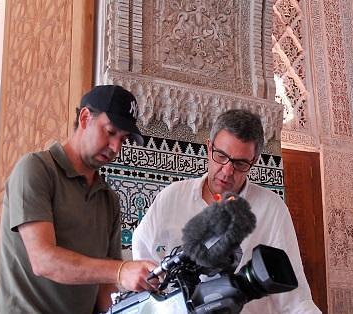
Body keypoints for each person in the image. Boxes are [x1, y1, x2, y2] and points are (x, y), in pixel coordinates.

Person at [132, 109, 321, 313]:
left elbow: (294, 299)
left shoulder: (271, 209)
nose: (227, 170)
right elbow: (142, 268)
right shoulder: (172, 197)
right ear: (209, 147)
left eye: (240, 163)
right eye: (221, 156)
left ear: (254, 161)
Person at [0, 85, 159, 314]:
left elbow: (105, 289)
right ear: (84, 118)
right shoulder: (36, 169)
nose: (115, 147)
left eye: (123, 139)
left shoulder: (108, 200)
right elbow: (43, 261)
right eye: (111, 132)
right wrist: (121, 270)